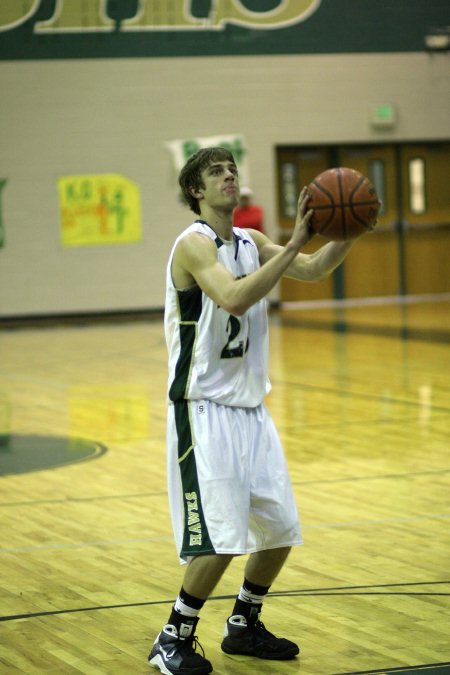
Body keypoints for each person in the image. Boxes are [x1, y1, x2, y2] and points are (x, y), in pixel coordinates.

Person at [149, 147, 369, 674]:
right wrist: (294, 242)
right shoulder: (193, 245)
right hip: (203, 411)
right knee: (222, 540)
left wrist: (352, 229)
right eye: (215, 172)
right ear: (196, 191)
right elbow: (234, 298)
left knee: (279, 529)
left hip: (251, 409)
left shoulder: (251, 241)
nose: (229, 176)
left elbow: (313, 268)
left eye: (232, 169)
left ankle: (243, 623)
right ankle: (172, 637)